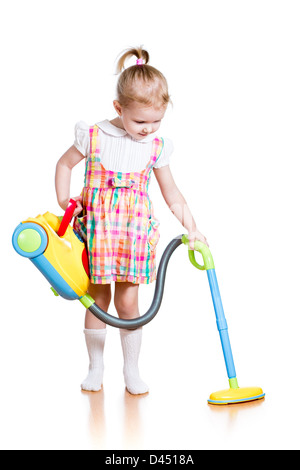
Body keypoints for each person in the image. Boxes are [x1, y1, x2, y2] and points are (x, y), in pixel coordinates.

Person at [55, 47, 208, 395]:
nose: (148, 129)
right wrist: (65, 201)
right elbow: (64, 164)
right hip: (97, 234)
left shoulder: (155, 146)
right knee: (96, 299)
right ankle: (95, 367)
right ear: (118, 108)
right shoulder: (94, 136)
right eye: (140, 121)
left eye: (156, 121)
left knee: (128, 303)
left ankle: (131, 369)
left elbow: (172, 194)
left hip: (132, 237)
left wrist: (192, 228)